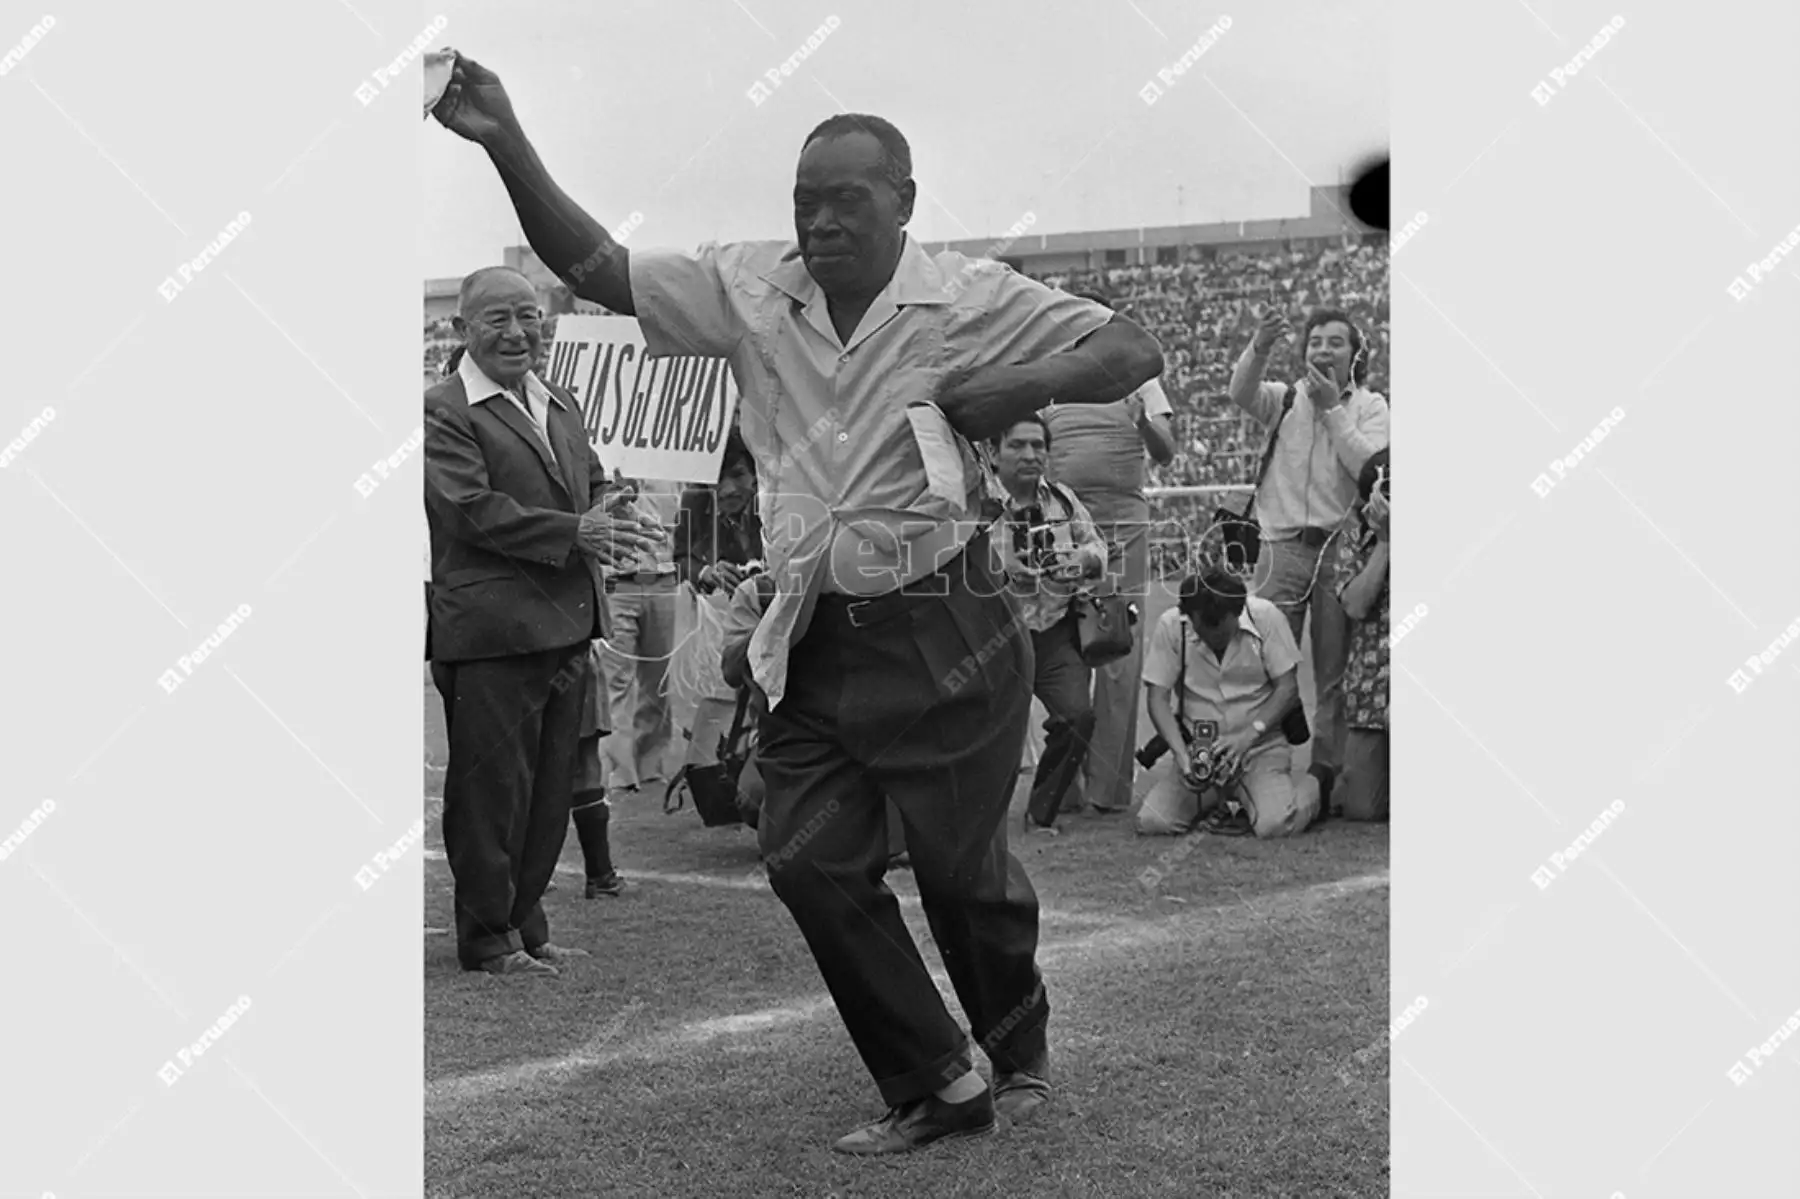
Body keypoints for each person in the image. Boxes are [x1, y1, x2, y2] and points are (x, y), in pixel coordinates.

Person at [432, 62, 1163, 1153]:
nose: (818, 223)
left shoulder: (966, 296)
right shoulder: (751, 285)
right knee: (804, 853)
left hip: (945, 619)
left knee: (966, 874)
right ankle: (939, 1074)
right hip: (815, 624)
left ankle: (1018, 1048)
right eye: (803, 201)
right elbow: (600, 268)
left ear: (904, 203)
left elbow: (1133, 347)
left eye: (845, 202)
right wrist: (503, 140)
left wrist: (1012, 390)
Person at [424, 266, 661, 977]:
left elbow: (589, 480)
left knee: (549, 788)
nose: (518, 331)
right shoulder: (444, 408)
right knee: (492, 791)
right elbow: (466, 508)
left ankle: (526, 922)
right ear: (462, 329)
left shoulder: (558, 398)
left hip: (563, 623)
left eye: (528, 315)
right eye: (497, 318)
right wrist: (575, 532)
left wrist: (617, 507)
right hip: (493, 630)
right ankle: (486, 935)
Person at [1227, 305, 1389, 821]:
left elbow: (1372, 467)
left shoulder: (1370, 405)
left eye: (1335, 342)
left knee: (1334, 670)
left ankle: (1328, 777)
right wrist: (1257, 346)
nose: (1323, 349)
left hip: (1341, 550)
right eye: (1315, 340)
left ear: (1355, 353)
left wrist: (1333, 411)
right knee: (1263, 661)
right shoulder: (1285, 398)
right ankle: (1261, 768)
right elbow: (1239, 393)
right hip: (1280, 546)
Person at [1042, 292, 1176, 817]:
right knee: (1063, 647)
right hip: (1063, 527)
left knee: (1118, 649)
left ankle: (1108, 790)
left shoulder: (1140, 379)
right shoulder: (1050, 380)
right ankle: (1062, 786)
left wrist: (1144, 422)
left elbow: (1166, 448)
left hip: (1123, 528)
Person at [989, 414, 1108, 835]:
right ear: (994, 452)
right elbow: (952, 565)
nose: (1030, 455)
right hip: (995, 635)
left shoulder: (1062, 499)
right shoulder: (975, 506)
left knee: (1077, 716)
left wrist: (1082, 560)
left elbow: (1098, 547)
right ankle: (975, 817)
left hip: (1055, 630)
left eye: (1038, 446)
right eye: (1017, 445)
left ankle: (1040, 814)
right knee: (985, 731)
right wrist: (1001, 571)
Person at [1136, 570, 1320, 838]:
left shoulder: (1266, 617)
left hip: (1259, 749)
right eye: (1204, 630)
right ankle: (1221, 801)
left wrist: (1249, 735)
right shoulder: (1172, 625)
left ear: (1238, 610)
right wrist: (1180, 755)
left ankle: (1316, 783)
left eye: (1221, 630)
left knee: (1275, 824)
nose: (1213, 638)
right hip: (1199, 752)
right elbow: (1157, 698)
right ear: (1188, 615)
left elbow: (1287, 687)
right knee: (1154, 822)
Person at [597, 475, 682, 801]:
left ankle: (651, 764)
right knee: (616, 678)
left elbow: (680, 521)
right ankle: (620, 770)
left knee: (658, 677)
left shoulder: (672, 468)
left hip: (661, 579)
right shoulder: (607, 463)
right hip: (618, 580)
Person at [1330, 449, 1390, 822]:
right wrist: (1386, 542)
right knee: (1361, 808)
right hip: (1374, 695)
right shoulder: (1354, 535)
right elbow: (1355, 604)